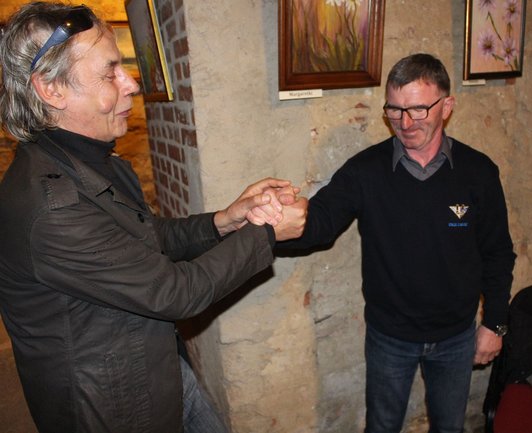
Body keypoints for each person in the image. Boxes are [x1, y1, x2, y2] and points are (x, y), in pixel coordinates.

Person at [0, 3, 307, 433]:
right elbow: (175, 291)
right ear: (51, 90)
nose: (131, 84)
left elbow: (146, 239)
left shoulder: (88, 162)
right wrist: (267, 232)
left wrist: (226, 220)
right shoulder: (53, 208)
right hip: (115, 408)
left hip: (157, 371)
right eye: (110, 73)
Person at [277, 53, 516, 433]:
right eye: (394, 110)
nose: (404, 123)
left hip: (456, 335)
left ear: (447, 106)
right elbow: (319, 223)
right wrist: (275, 224)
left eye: (418, 109)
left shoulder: (478, 172)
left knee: (449, 428)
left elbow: (497, 252)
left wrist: (495, 323)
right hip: (390, 336)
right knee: (382, 427)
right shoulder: (365, 171)